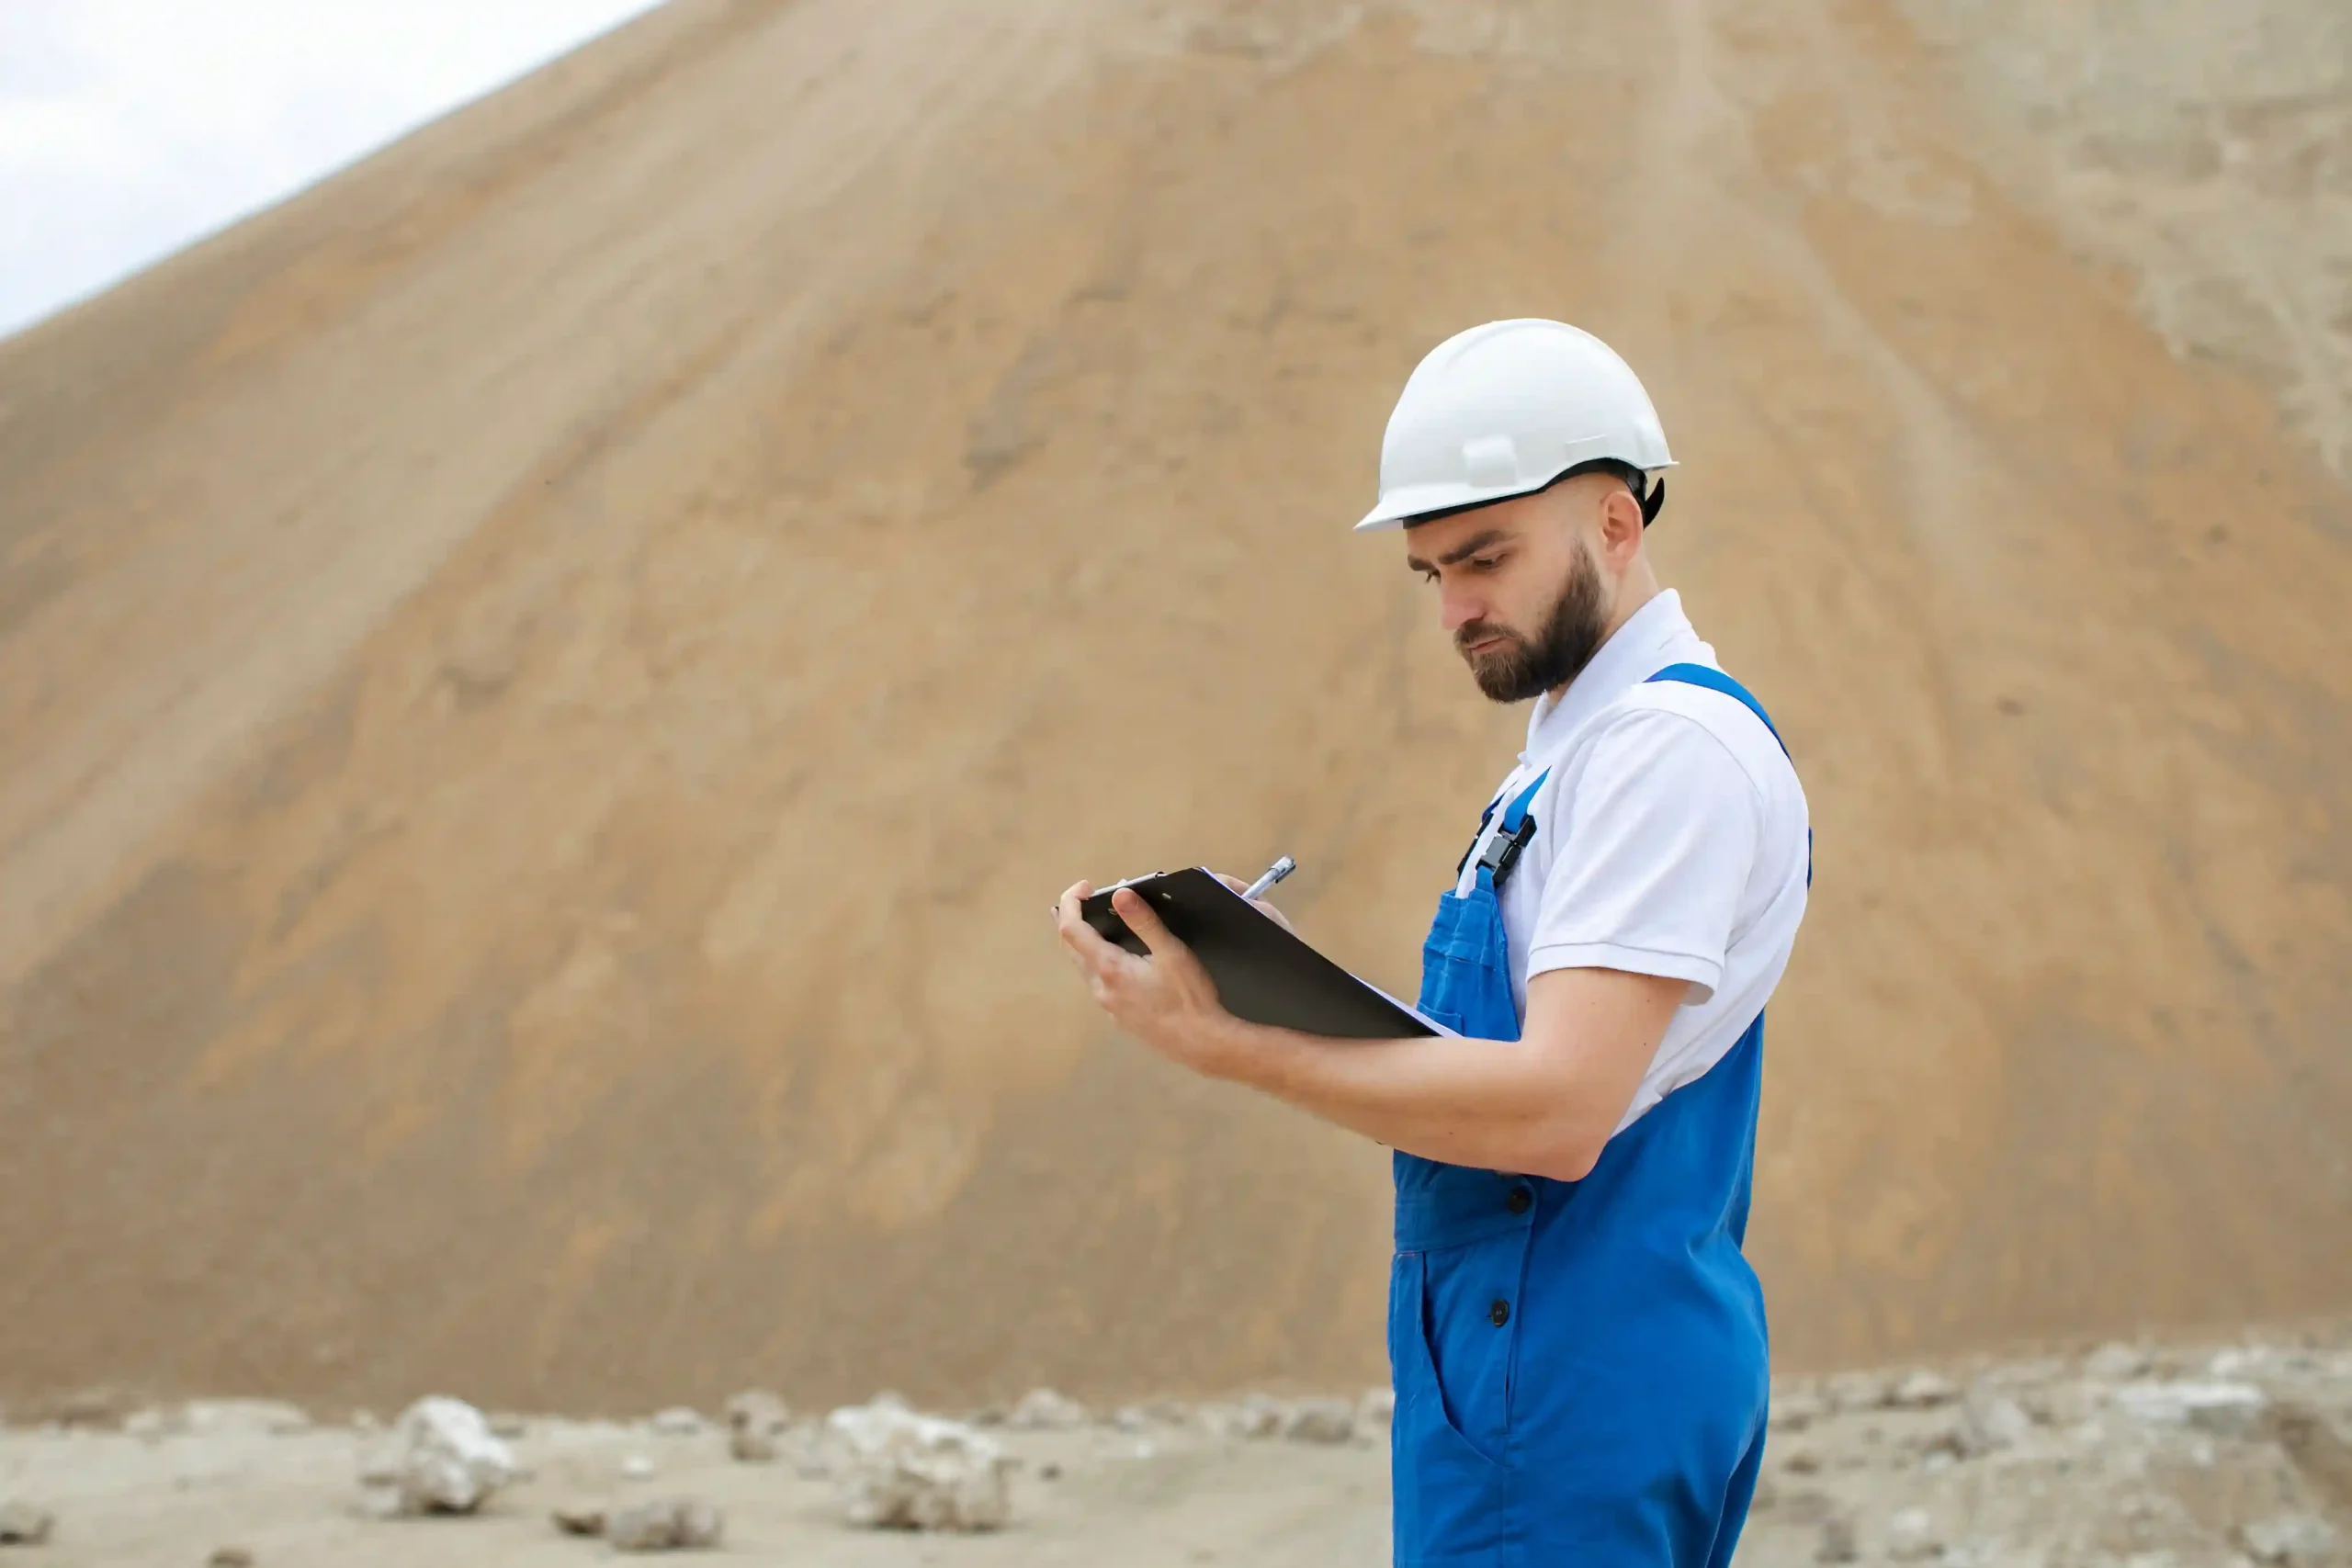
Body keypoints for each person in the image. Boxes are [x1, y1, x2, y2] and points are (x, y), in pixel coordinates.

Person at [1054, 318, 1811, 1567]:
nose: (1456, 607)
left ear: (1617, 523)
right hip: (1530, 1365)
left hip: (1572, 1373)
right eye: (1430, 574)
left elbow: (1560, 1108)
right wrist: (1269, 974)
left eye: (1486, 558)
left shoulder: (1665, 754)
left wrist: (1234, 1044)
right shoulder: (1577, 750)